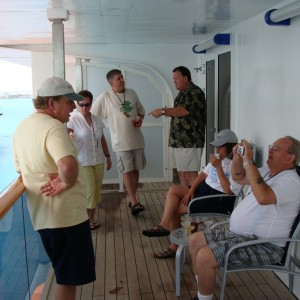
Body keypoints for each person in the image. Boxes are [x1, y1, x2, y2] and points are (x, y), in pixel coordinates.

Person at [12, 77, 96, 300]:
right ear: (51, 103)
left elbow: (21, 170)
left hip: (42, 217)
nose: (72, 107)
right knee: (68, 281)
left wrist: (54, 174)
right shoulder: (54, 128)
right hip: (66, 219)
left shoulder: (22, 126)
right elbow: (67, 165)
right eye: (69, 102)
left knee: (63, 275)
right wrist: (66, 181)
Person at [189, 136, 300, 300]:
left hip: (265, 245)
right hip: (241, 236)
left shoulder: (291, 181)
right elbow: (238, 177)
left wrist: (249, 161)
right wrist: (237, 159)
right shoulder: (265, 172)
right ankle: (203, 289)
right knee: (194, 240)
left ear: (291, 157)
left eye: (276, 148)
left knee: (205, 256)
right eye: (271, 146)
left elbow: (263, 197)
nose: (270, 150)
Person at [142, 129, 241, 258]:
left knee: (176, 209)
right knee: (174, 190)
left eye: (220, 147)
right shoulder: (218, 158)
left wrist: (218, 167)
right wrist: (190, 191)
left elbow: (229, 191)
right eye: (216, 147)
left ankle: (173, 247)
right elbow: (202, 175)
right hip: (203, 190)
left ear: (230, 147)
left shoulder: (238, 166)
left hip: (217, 199)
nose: (217, 151)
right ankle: (164, 225)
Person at [91, 69, 146, 216]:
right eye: (118, 78)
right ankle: (134, 201)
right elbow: (92, 115)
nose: (122, 80)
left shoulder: (132, 93)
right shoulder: (105, 97)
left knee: (135, 170)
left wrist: (140, 119)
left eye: (122, 77)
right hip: (120, 141)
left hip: (137, 139)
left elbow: (141, 111)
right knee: (127, 170)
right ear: (111, 82)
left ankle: (132, 199)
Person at [148, 66, 206, 187]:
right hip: (179, 142)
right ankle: (186, 201)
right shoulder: (182, 94)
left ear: (185, 78)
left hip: (189, 142)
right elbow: (178, 113)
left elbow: (182, 111)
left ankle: (193, 202)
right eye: (173, 79)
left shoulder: (195, 92)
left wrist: (162, 111)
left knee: (189, 175)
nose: (174, 81)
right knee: (182, 174)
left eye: (176, 79)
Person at [67, 90, 112, 230]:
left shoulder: (97, 120)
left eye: (87, 104)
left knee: (97, 191)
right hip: (83, 161)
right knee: (90, 191)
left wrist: (108, 156)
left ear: (91, 104)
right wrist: (69, 136)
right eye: (81, 105)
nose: (84, 108)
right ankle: (86, 220)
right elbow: (65, 135)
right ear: (77, 104)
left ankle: (91, 217)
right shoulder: (72, 120)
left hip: (98, 160)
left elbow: (102, 138)